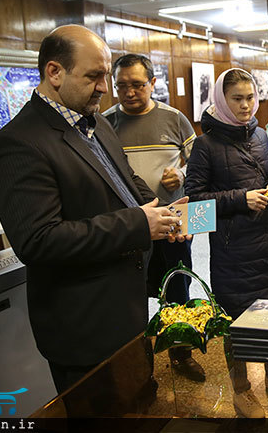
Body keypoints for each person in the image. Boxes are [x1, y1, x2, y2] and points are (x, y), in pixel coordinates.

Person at [0, 25, 187, 395]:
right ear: (54, 72)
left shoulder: (97, 124)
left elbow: (128, 182)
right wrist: (139, 224)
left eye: (106, 75)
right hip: (84, 326)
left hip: (127, 309)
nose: (105, 88)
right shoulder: (19, 144)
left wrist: (166, 215)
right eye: (94, 76)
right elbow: (39, 241)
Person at [184, 68, 268, 418]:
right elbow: (195, 206)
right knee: (238, 323)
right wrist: (241, 199)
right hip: (233, 252)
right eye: (237, 99)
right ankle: (241, 391)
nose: (246, 105)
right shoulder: (205, 146)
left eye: (250, 97)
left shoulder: (262, 135)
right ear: (221, 100)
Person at [103, 53, 203, 381]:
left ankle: (181, 353)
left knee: (178, 289)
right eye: (121, 87)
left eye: (137, 85)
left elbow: (199, 165)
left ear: (153, 83)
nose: (130, 93)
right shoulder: (104, 125)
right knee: (130, 294)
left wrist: (182, 173)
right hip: (129, 226)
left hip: (174, 221)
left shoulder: (175, 119)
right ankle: (136, 361)